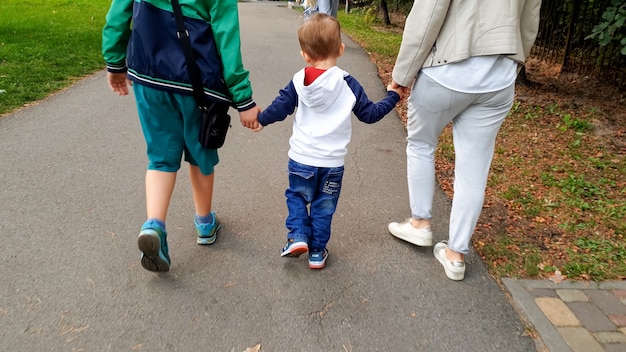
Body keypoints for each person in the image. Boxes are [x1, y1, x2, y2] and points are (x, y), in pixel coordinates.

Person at [388, 0, 542, 280]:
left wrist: (402, 76)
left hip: (446, 68)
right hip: (498, 77)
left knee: (422, 144)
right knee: (474, 169)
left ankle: (420, 223)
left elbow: (429, 13)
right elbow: (530, 22)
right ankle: (456, 254)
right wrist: (515, 64)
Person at [102, 0, 260, 272]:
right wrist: (243, 98)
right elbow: (226, 34)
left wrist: (115, 61)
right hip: (198, 79)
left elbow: (118, 14)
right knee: (201, 152)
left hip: (148, 72)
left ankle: (154, 225)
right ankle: (205, 223)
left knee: (160, 157)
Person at [252, 13, 402, 269]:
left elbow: (280, 108)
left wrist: (261, 119)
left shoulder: (299, 81)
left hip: (301, 159)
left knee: (297, 197)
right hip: (332, 164)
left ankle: (298, 235)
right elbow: (370, 114)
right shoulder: (348, 83)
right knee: (323, 207)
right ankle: (317, 252)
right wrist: (393, 96)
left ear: (305, 55)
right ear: (341, 49)